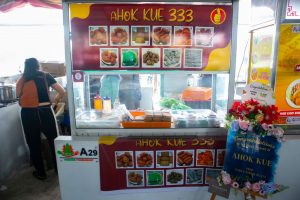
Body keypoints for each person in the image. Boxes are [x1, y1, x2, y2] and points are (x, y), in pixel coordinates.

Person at [16, 58, 65, 180]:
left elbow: (18, 95)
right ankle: (59, 170)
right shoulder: (45, 76)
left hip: (28, 113)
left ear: (26, 67)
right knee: (53, 141)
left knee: (33, 143)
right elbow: (61, 91)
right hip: (45, 111)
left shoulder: (22, 79)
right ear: (38, 66)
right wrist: (56, 100)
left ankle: (41, 173)